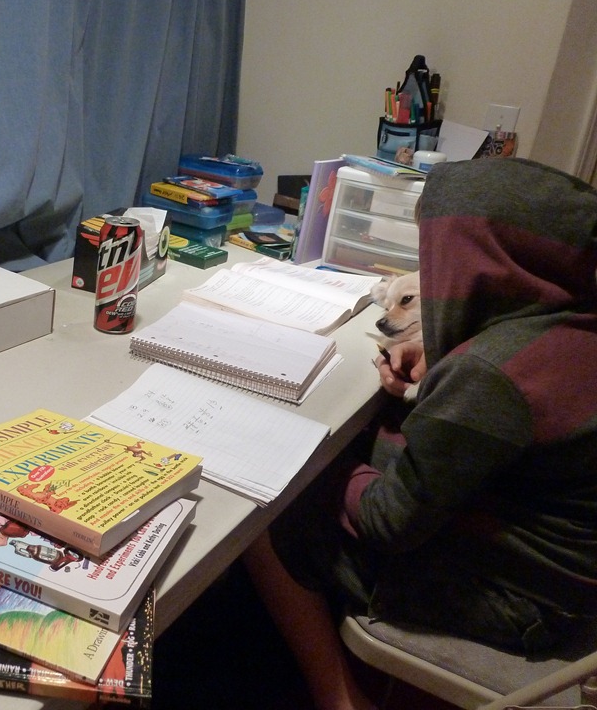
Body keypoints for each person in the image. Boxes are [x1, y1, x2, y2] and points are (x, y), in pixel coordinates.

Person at [242, 158, 597, 710]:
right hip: (571, 579)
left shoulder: (489, 375)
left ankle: (339, 698)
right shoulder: (570, 329)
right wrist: (438, 375)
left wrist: (310, 462)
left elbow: (388, 521)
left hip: (527, 603)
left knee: (269, 514)